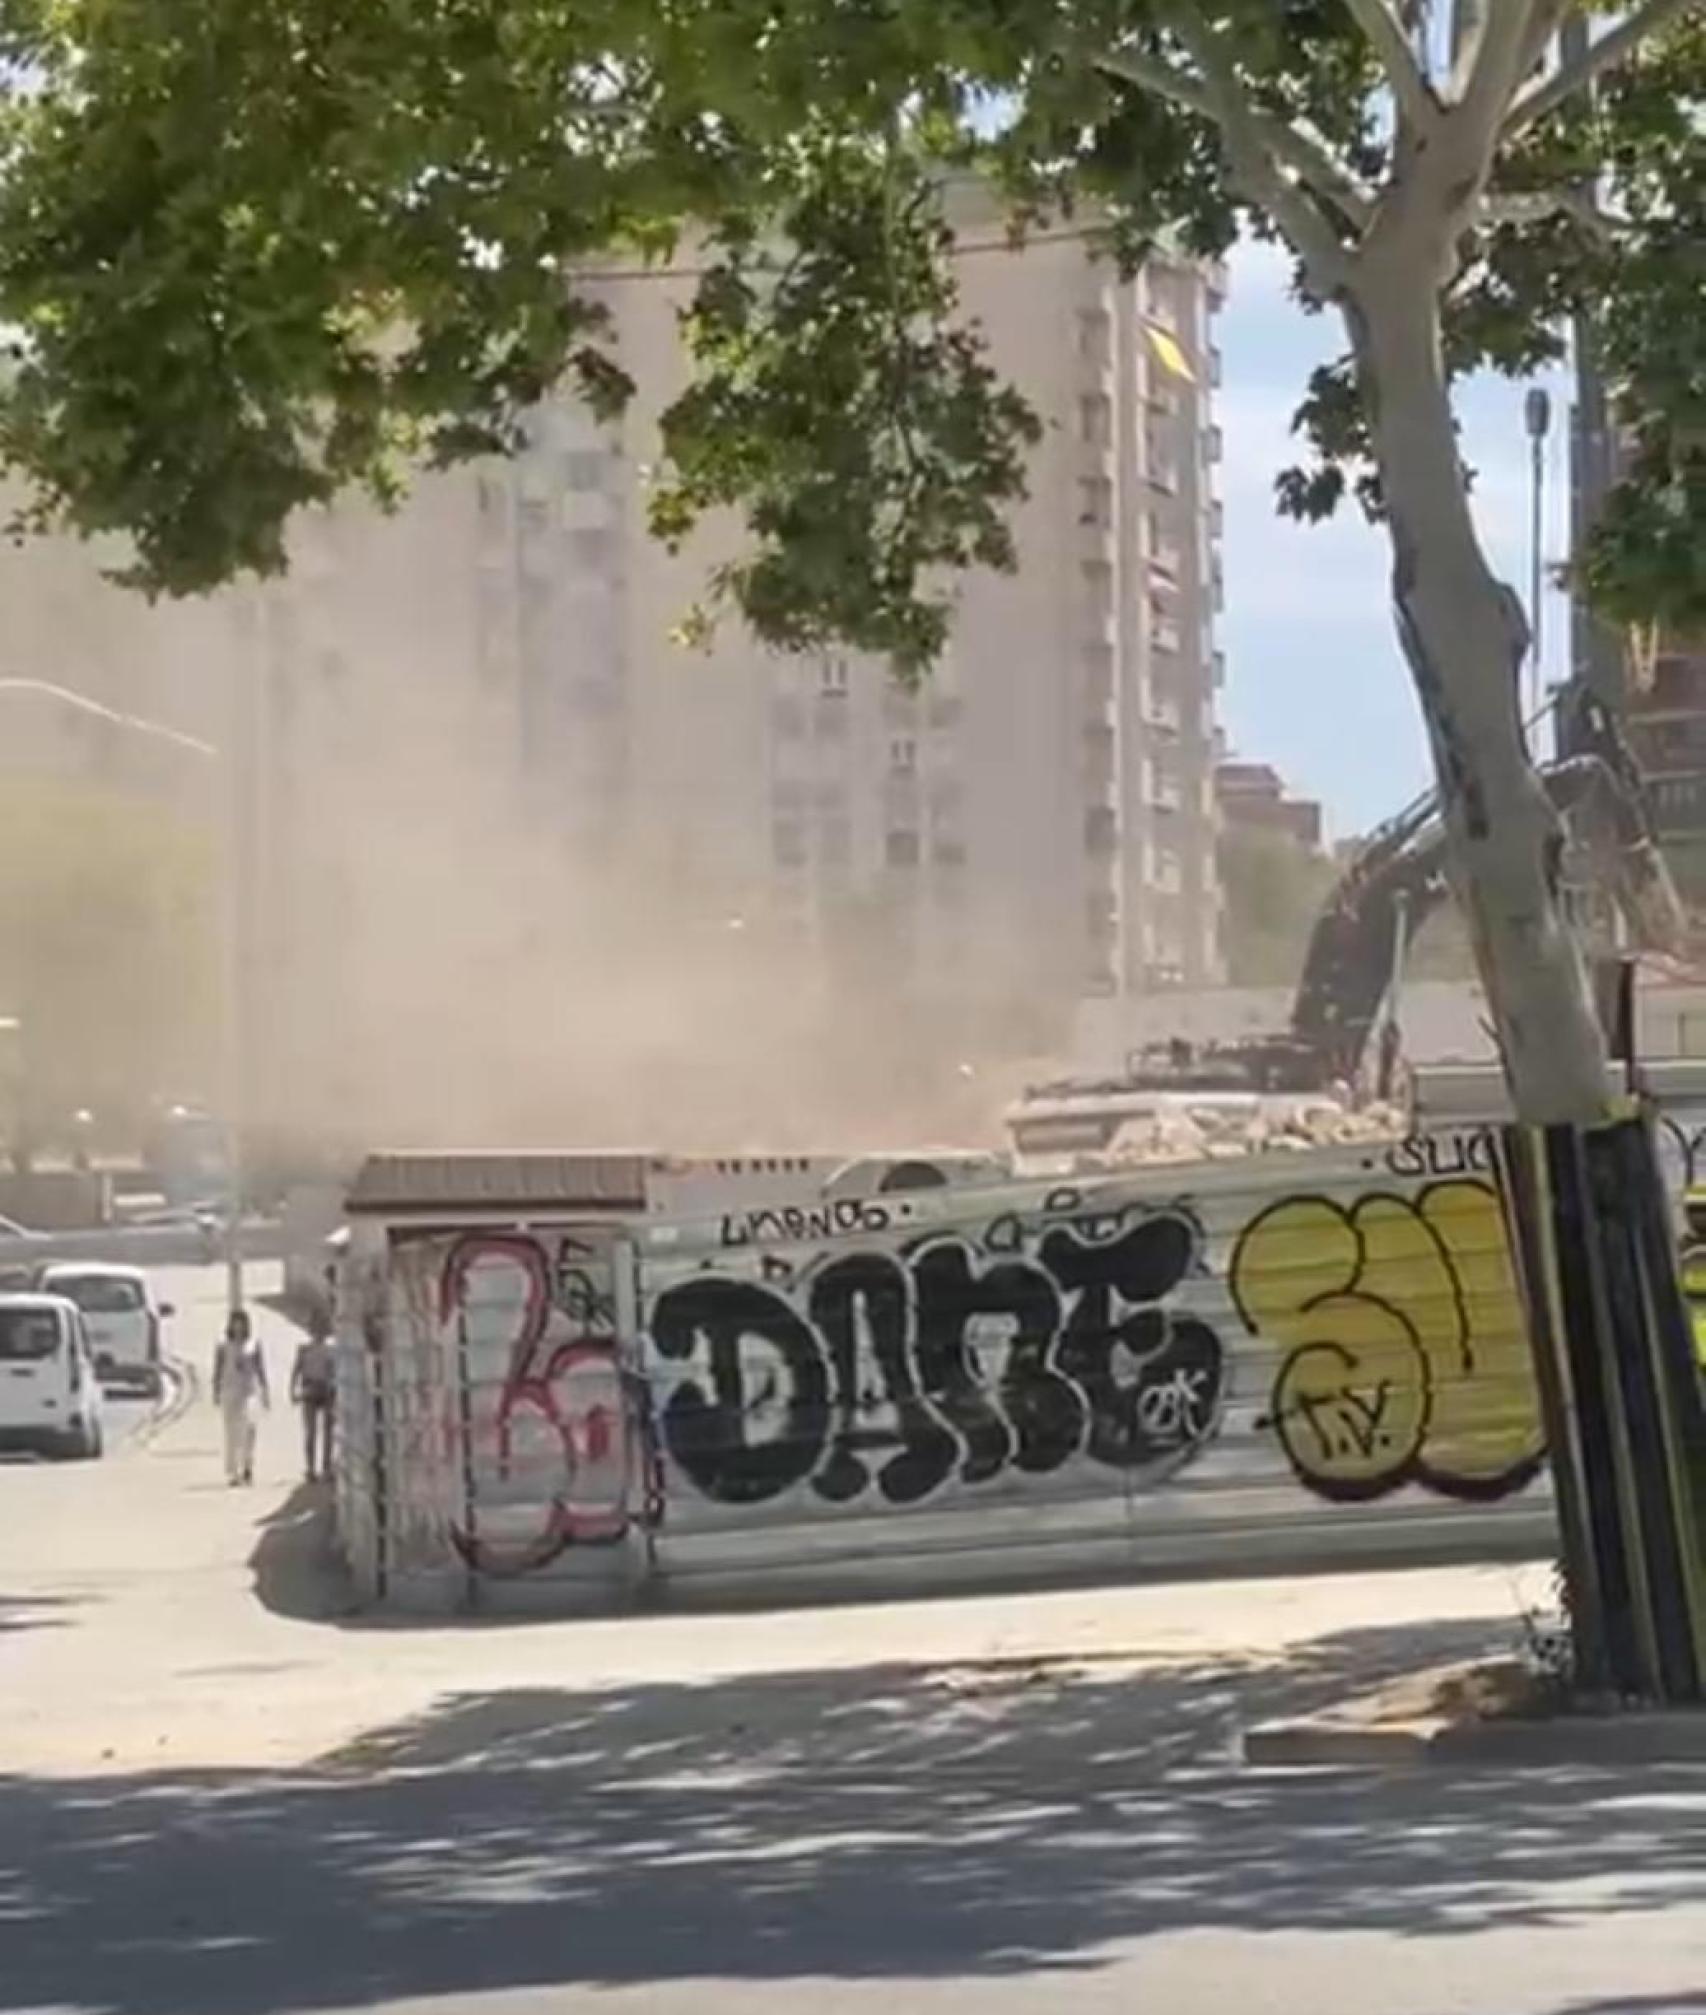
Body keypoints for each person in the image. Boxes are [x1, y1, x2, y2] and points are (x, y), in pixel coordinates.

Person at [212, 1308, 269, 1486]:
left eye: (241, 1323)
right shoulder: (223, 1345)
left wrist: (265, 1391)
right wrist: (215, 1391)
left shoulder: (253, 1344)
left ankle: (247, 1466)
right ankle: (233, 1471)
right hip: (230, 1390)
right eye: (235, 1323)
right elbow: (218, 1369)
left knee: (249, 1430)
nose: (238, 1326)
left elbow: (260, 1368)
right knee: (232, 1432)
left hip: (249, 1391)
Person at [290, 1314, 336, 1483]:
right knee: (311, 1432)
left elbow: (335, 1371)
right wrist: (293, 1390)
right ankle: (310, 1468)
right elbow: (296, 1370)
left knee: (328, 1432)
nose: (318, 1332)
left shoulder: (331, 1350)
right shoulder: (304, 1349)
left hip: (326, 1390)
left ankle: (327, 1466)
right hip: (309, 1389)